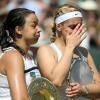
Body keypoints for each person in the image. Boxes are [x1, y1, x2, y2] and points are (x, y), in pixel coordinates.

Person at [37, 4, 100, 100]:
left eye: (79, 26)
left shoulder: (84, 52)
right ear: (59, 27)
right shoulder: (46, 50)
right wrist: (70, 47)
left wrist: (83, 89)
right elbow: (56, 81)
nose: (77, 31)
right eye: (73, 27)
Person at [0, 8, 41, 100]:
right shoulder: (13, 57)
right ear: (18, 30)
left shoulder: (28, 56)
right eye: (34, 26)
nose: (39, 29)